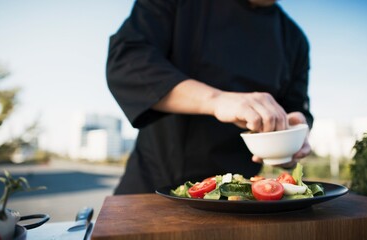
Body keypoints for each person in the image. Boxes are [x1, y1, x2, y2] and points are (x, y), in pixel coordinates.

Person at [107, 0, 313, 194]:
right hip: (152, 186)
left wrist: (297, 130)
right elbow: (127, 62)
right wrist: (216, 100)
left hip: (238, 197)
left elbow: (296, 108)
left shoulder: (295, 40)